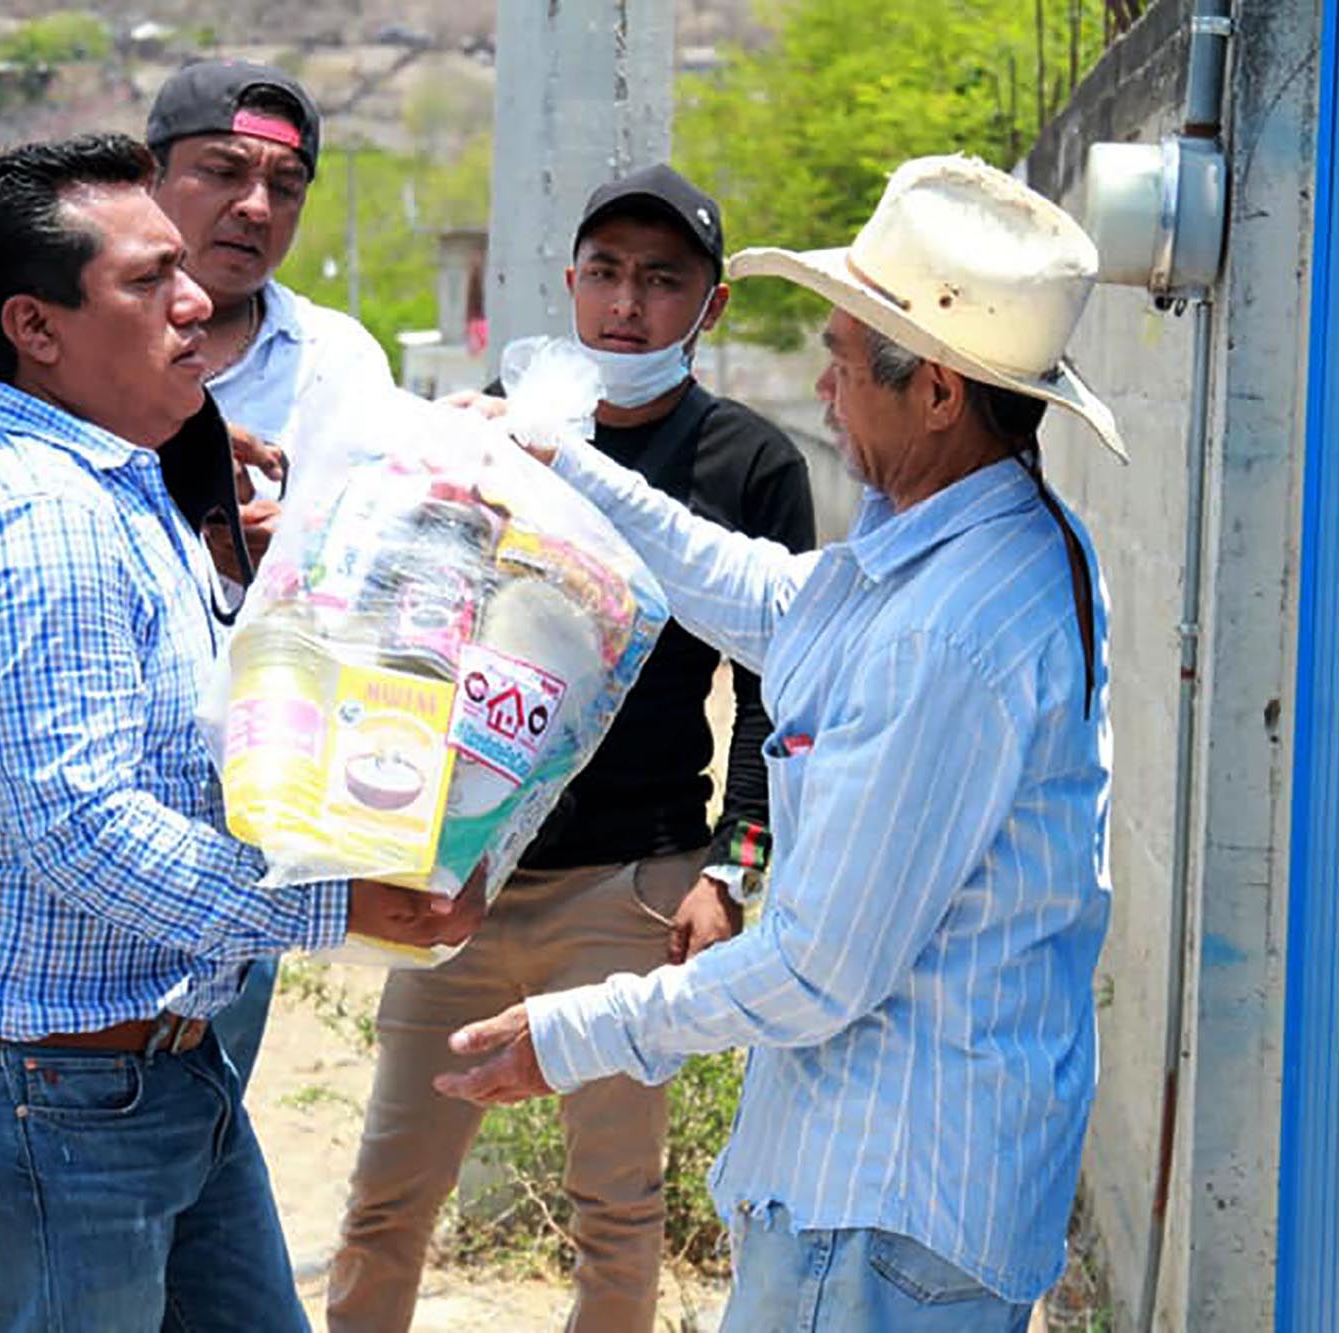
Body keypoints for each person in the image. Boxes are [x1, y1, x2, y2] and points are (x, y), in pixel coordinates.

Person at [434, 155, 1127, 1333]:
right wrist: (561, 464)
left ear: (940, 393)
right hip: (917, 1187)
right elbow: (767, 596)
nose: (820, 388)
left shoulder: (947, 635)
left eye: (843, 363)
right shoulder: (983, 534)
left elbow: (816, 970)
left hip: (879, 1209)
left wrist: (573, 1032)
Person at [0, 132, 481, 1329]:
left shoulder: (125, 485)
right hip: (42, 1095)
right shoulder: (49, 523)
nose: (196, 297)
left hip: (150, 1068)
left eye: (177, 268)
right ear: (35, 330)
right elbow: (85, 831)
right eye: (146, 280)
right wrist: (337, 903)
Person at [327, 165, 817, 1333]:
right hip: (459, 886)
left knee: (616, 1206)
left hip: (623, 888)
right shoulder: (490, 434)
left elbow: (772, 694)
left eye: (661, 279)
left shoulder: (748, 465)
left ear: (711, 306)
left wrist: (727, 864)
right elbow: (409, 633)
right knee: (388, 1199)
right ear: (566, 283)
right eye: (604, 273)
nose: (626, 305)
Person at [0, 59, 394, 1086]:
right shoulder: (50, 489)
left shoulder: (330, 356)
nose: (252, 208)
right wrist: (186, 459)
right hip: (46, 1055)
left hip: (198, 950)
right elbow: (81, 828)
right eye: (219, 172)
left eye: (284, 186)